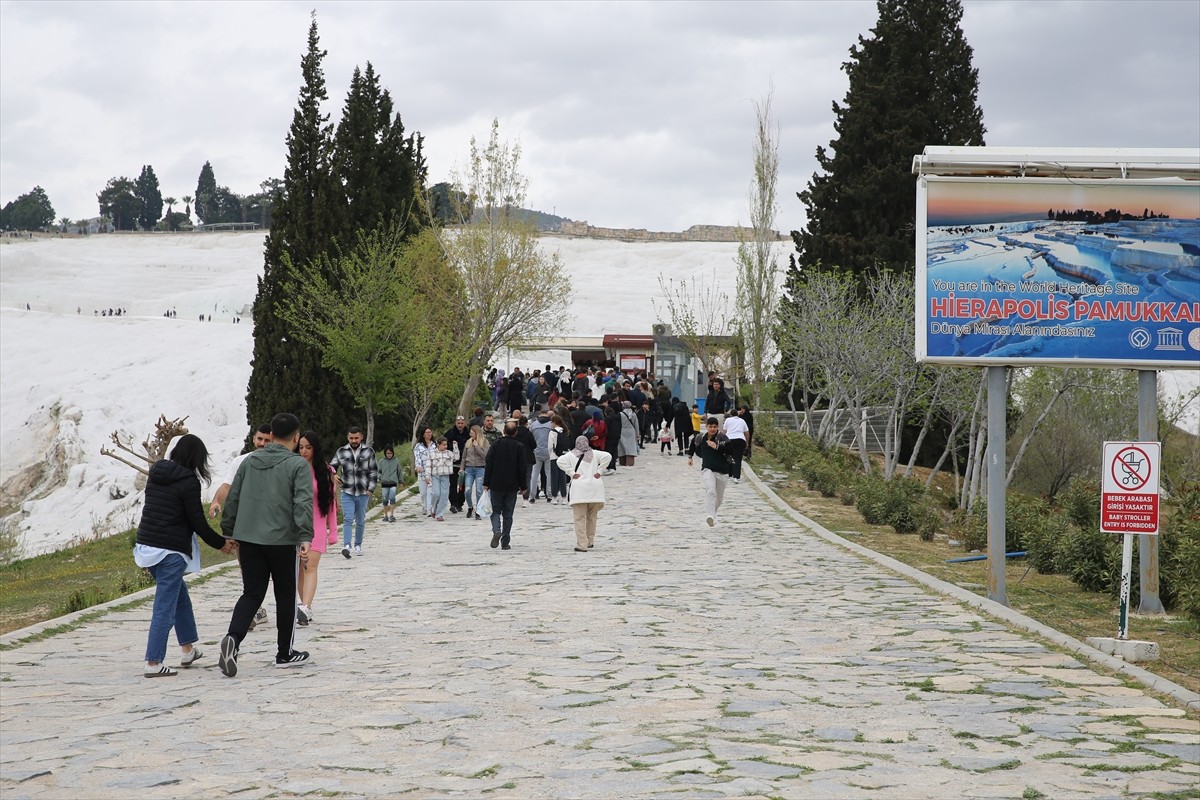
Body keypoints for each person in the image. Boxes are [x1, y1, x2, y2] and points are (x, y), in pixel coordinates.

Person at [218, 413, 314, 676]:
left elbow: (233, 497)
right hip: (282, 540)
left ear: (270, 436)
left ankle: (233, 639)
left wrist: (229, 531)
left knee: (252, 593)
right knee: (285, 594)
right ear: (296, 437)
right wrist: (305, 536)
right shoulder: (297, 465)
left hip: (248, 539)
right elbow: (302, 502)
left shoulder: (249, 461)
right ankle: (285, 653)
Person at [134, 434, 234, 677]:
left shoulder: (157, 473)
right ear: (196, 459)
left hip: (147, 546)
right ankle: (153, 662)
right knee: (164, 607)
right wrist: (222, 543)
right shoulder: (189, 481)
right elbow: (197, 522)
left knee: (179, 596)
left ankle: (188, 649)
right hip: (170, 551)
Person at [209, 422, 273, 631]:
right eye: (259, 439)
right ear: (254, 439)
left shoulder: (279, 461)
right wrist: (217, 501)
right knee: (247, 567)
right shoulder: (241, 461)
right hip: (245, 525)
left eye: (267, 440)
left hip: (272, 524)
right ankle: (256, 609)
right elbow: (228, 485)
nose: (262, 444)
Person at [297, 431, 338, 626]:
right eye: (301, 447)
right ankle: (305, 606)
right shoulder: (293, 468)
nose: (304, 451)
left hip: (317, 524)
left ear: (315, 448)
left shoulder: (326, 471)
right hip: (295, 525)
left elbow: (331, 503)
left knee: (310, 566)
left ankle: (305, 606)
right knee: (299, 569)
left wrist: (334, 531)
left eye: (308, 447)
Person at [556, 435, 612, 552]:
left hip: (580, 490)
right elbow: (608, 456)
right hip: (595, 490)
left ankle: (582, 544)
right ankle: (590, 540)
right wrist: (600, 471)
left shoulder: (571, 455)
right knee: (592, 517)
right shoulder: (595, 453)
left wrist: (571, 472)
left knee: (579, 518)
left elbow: (559, 460)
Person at [330, 426, 378, 558]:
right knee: (348, 518)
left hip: (363, 492)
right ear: (348, 438)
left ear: (361, 437)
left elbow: (374, 471)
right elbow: (332, 467)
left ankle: (358, 544)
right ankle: (347, 546)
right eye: (351, 438)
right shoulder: (341, 452)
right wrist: (332, 475)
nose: (354, 440)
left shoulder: (369, 452)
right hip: (347, 491)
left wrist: (371, 489)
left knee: (361, 520)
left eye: (356, 438)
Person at [483, 422, 529, 550]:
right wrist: (523, 485)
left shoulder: (496, 445)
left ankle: (496, 529)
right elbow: (522, 468)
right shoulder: (519, 446)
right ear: (515, 432)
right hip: (512, 485)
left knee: (496, 510)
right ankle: (505, 541)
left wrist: (486, 482)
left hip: (496, 483)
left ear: (503, 431)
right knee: (508, 514)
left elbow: (489, 463)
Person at [687, 417, 732, 528]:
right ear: (706, 427)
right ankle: (710, 516)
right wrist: (690, 457)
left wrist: (717, 446)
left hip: (722, 471)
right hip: (708, 469)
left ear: (717, 427)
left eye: (714, 427)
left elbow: (730, 450)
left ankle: (713, 513)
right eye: (710, 426)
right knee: (710, 490)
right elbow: (693, 444)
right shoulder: (701, 438)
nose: (712, 429)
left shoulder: (722, 438)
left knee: (719, 498)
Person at [462, 424, 489, 519]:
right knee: (467, 490)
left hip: (480, 468)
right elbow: (464, 457)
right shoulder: (468, 442)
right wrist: (462, 468)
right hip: (469, 468)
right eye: (470, 433)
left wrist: (477, 446)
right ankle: (470, 507)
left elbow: (485, 455)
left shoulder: (485, 442)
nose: (471, 435)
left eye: (473, 433)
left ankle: (478, 510)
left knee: (478, 490)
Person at [445, 415, 471, 513]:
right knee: (452, 484)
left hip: (464, 464)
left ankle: (460, 503)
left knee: (462, 485)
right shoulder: (450, 434)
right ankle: (453, 503)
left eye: (462, 423)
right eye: (458, 423)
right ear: (456, 423)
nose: (460, 425)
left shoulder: (468, 434)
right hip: (453, 463)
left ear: (465, 423)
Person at [528, 408, 554, 503]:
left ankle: (532, 495)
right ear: (547, 414)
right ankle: (549, 494)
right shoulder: (551, 424)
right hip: (548, 451)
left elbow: (531, 438)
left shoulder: (533, 425)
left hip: (537, 451)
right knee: (549, 473)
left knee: (534, 474)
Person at [428, 437, 455, 521]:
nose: (445, 446)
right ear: (438, 445)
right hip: (435, 475)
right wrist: (427, 476)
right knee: (436, 494)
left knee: (444, 495)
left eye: (446, 444)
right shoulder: (432, 454)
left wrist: (455, 446)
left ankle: (439, 514)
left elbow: (457, 457)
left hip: (445, 476)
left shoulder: (449, 453)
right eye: (443, 445)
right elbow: (428, 466)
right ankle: (433, 508)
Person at [412, 427, 436, 518]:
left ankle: (430, 508)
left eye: (430, 432)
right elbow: (417, 457)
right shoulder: (418, 446)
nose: (429, 434)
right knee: (423, 492)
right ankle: (424, 506)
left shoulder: (435, 445)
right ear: (423, 434)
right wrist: (418, 466)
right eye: (427, 432)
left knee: (432, 491)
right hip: (422, 471)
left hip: (433, 471)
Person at [548, 414, 572, 504]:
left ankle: (554, 496)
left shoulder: (552, 432)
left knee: (554, 477)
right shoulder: (565, 431)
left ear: (554, 422)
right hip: (564, 456)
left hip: (554, 456)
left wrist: (550, 454)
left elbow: (550, 446)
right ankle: (564, 497)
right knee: (563, 477)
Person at [722, 409, 750, 481]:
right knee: (737, 458)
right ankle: (736, 476)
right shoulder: (742, 421)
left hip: (729, 439)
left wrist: (723, 440)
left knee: (729, 456)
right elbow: (746, 432)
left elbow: (724, 431)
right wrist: (747, 442)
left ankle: (729, 473)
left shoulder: (728, 420)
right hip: (740, 440)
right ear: (738, 415)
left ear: (731, 414)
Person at [378, 446, 401, 522]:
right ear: (385, 453)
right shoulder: (381, 461)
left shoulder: (396, 461)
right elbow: (378, 471)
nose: (389, 455)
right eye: (387, 453)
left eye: (390, 453)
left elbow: (399, 472)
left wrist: (401, 481)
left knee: (392, 497)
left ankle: (391, 514)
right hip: (384, 483)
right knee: (385, 499)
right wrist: (380, 477)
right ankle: (385, 515)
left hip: (393, 482)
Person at [618, 401, 640, 466]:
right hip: (631, 431)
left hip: (622, 431)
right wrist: (637, 434)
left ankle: (622, 461)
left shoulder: (620, 414)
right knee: (631, 447)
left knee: (622, 447)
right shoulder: (633, 414)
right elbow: (636, 425)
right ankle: (630, 462)